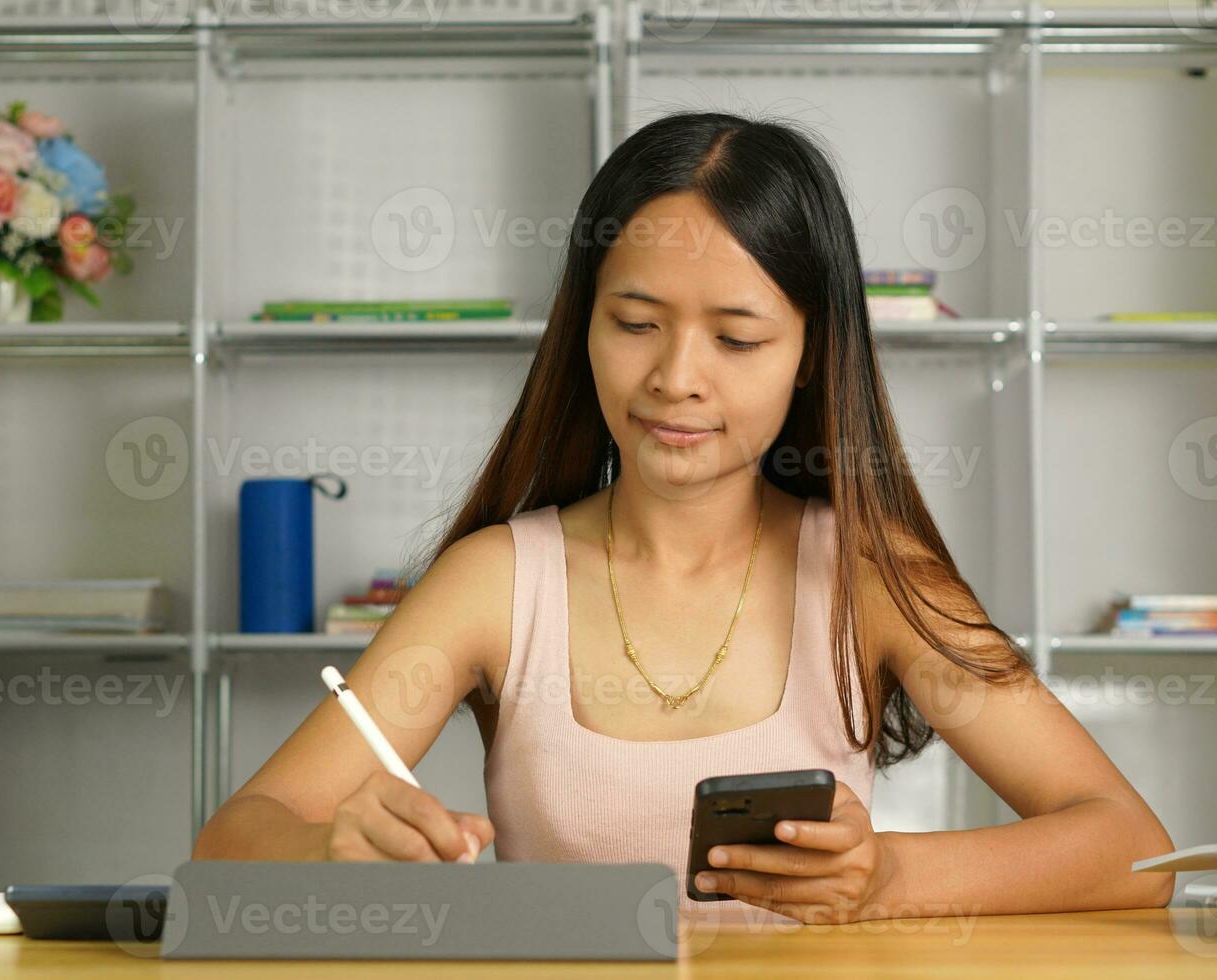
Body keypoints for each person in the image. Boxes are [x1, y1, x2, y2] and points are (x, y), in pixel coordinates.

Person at [194, 111, 1175, 924]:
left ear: (810, 353)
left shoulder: (871, 573)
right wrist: (330, 845)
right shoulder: (496, 581)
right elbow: (233, 840)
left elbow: (1133, 850)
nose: (674, 378)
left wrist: (890, 877)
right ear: (583, 325)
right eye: (633, 324)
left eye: (737, 337)